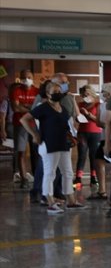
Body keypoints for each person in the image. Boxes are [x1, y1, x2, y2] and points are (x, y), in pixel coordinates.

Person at [20, 80, 83, 213]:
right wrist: (35, 135)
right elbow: (24, 119)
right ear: (48, 94)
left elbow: (66, 125)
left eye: (59, 92)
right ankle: (50, 202)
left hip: (63, 144)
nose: (58, 94)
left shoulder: (63, 108)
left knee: (67, 173)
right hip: (49, 145)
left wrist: (72, 136)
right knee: (50, 173)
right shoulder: (43, 107)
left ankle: (71, 200)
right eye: (55, 92)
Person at [74, 84, 104, 196]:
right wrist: (78, 116)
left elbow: (99, 120)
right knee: (81, 155)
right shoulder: (80, 104)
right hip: (82, 133)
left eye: (88, 94)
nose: (86, 96)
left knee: (94, 156)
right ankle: (78, 178)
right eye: (83, 95)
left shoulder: (98, 105)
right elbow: (77, 119)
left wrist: (89, 115)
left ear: (92, 94)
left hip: (95, 133)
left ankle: (93, 177)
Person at [11, 69, 38, 187]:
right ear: (20, 79)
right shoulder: (16, 90)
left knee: (36, 153)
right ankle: (23, 179)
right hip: (20, 124)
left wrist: (23, 106)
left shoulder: (37, 91)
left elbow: (38, 108)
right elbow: (15, 108)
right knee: (21, 152)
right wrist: (30, 108)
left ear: (32, 77)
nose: (26, 79)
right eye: (23, 77)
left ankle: (37, 176)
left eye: (28, 77)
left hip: (34, 125)